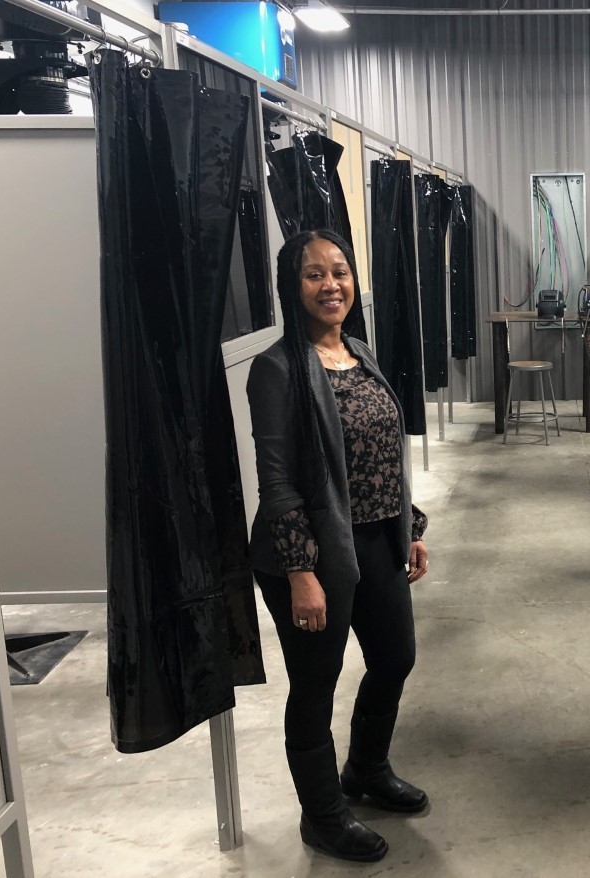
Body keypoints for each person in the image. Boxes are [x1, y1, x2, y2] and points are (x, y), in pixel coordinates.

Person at [246, 229, 430, 864]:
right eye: (313, 275)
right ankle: (322, 815)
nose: (331, 286)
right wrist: (299, 571)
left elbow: (383, 452)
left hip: (378, 539)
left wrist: (410, 526)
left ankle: (366, 773)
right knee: (315, 685)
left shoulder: (359, 351)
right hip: (314, 555)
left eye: (340, 272)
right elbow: (277, 481)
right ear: (291, 288)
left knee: (395, 658)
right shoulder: (276, 369)